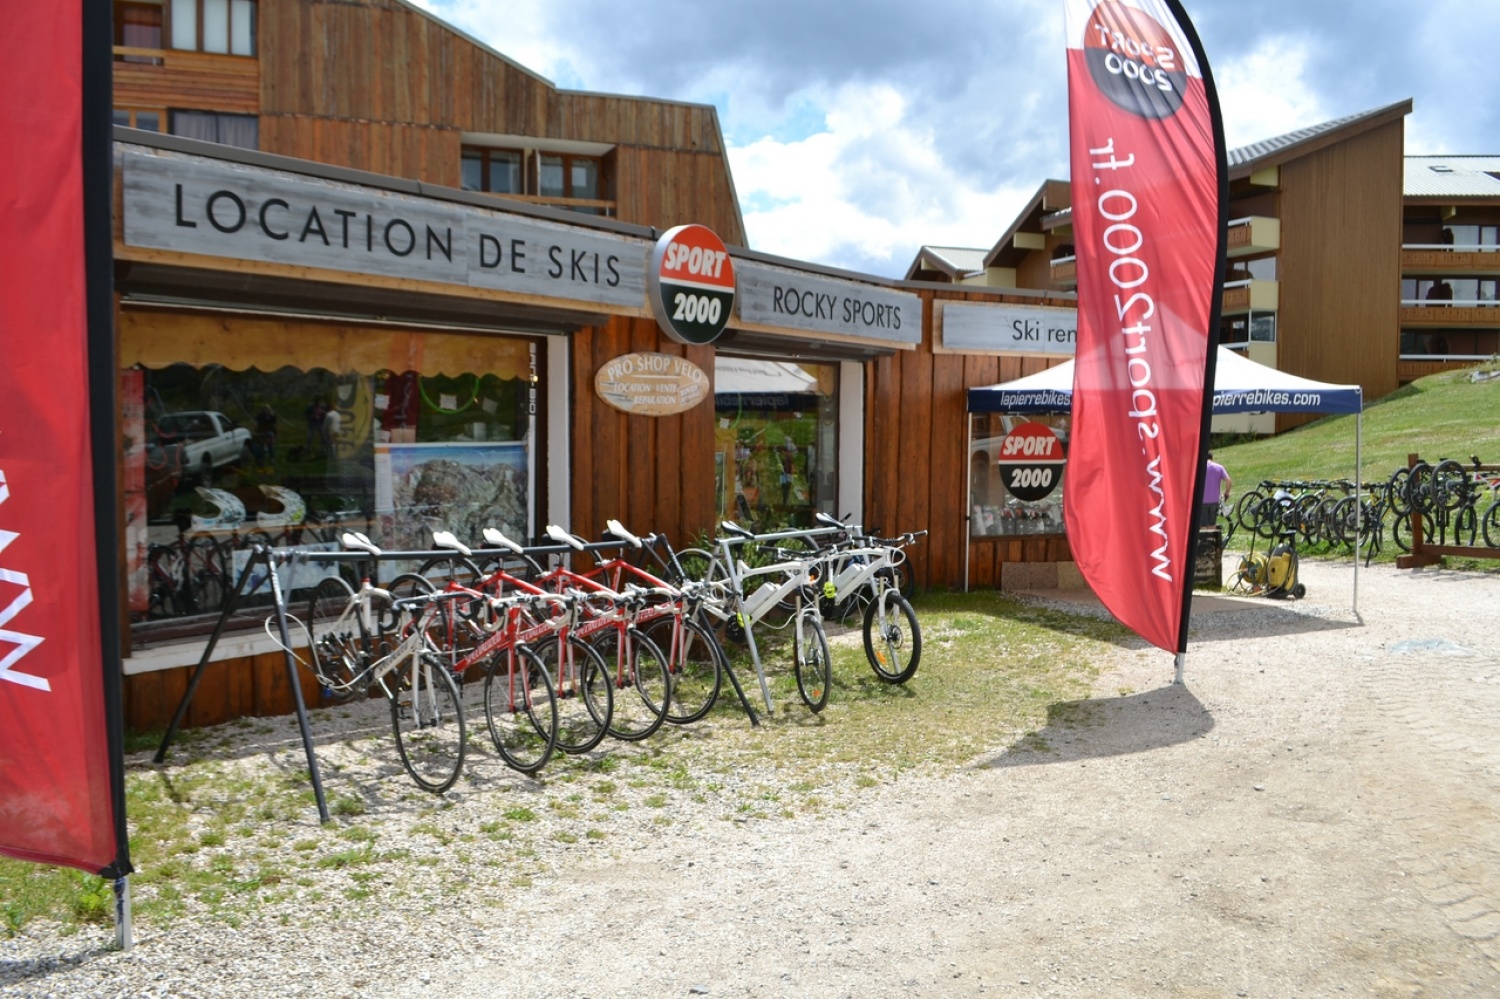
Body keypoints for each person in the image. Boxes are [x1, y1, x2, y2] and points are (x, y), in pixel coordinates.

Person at [1201, 453, 1232, 528]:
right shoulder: (1219, 467)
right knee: (1212, 524)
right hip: (1215, 501)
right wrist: (1226, 493)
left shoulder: (1199, 467)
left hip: (1202, 501)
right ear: (1212, 458)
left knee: (1202, 526)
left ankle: (1205, 539)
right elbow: (1228, 481)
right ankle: (1211, 538)